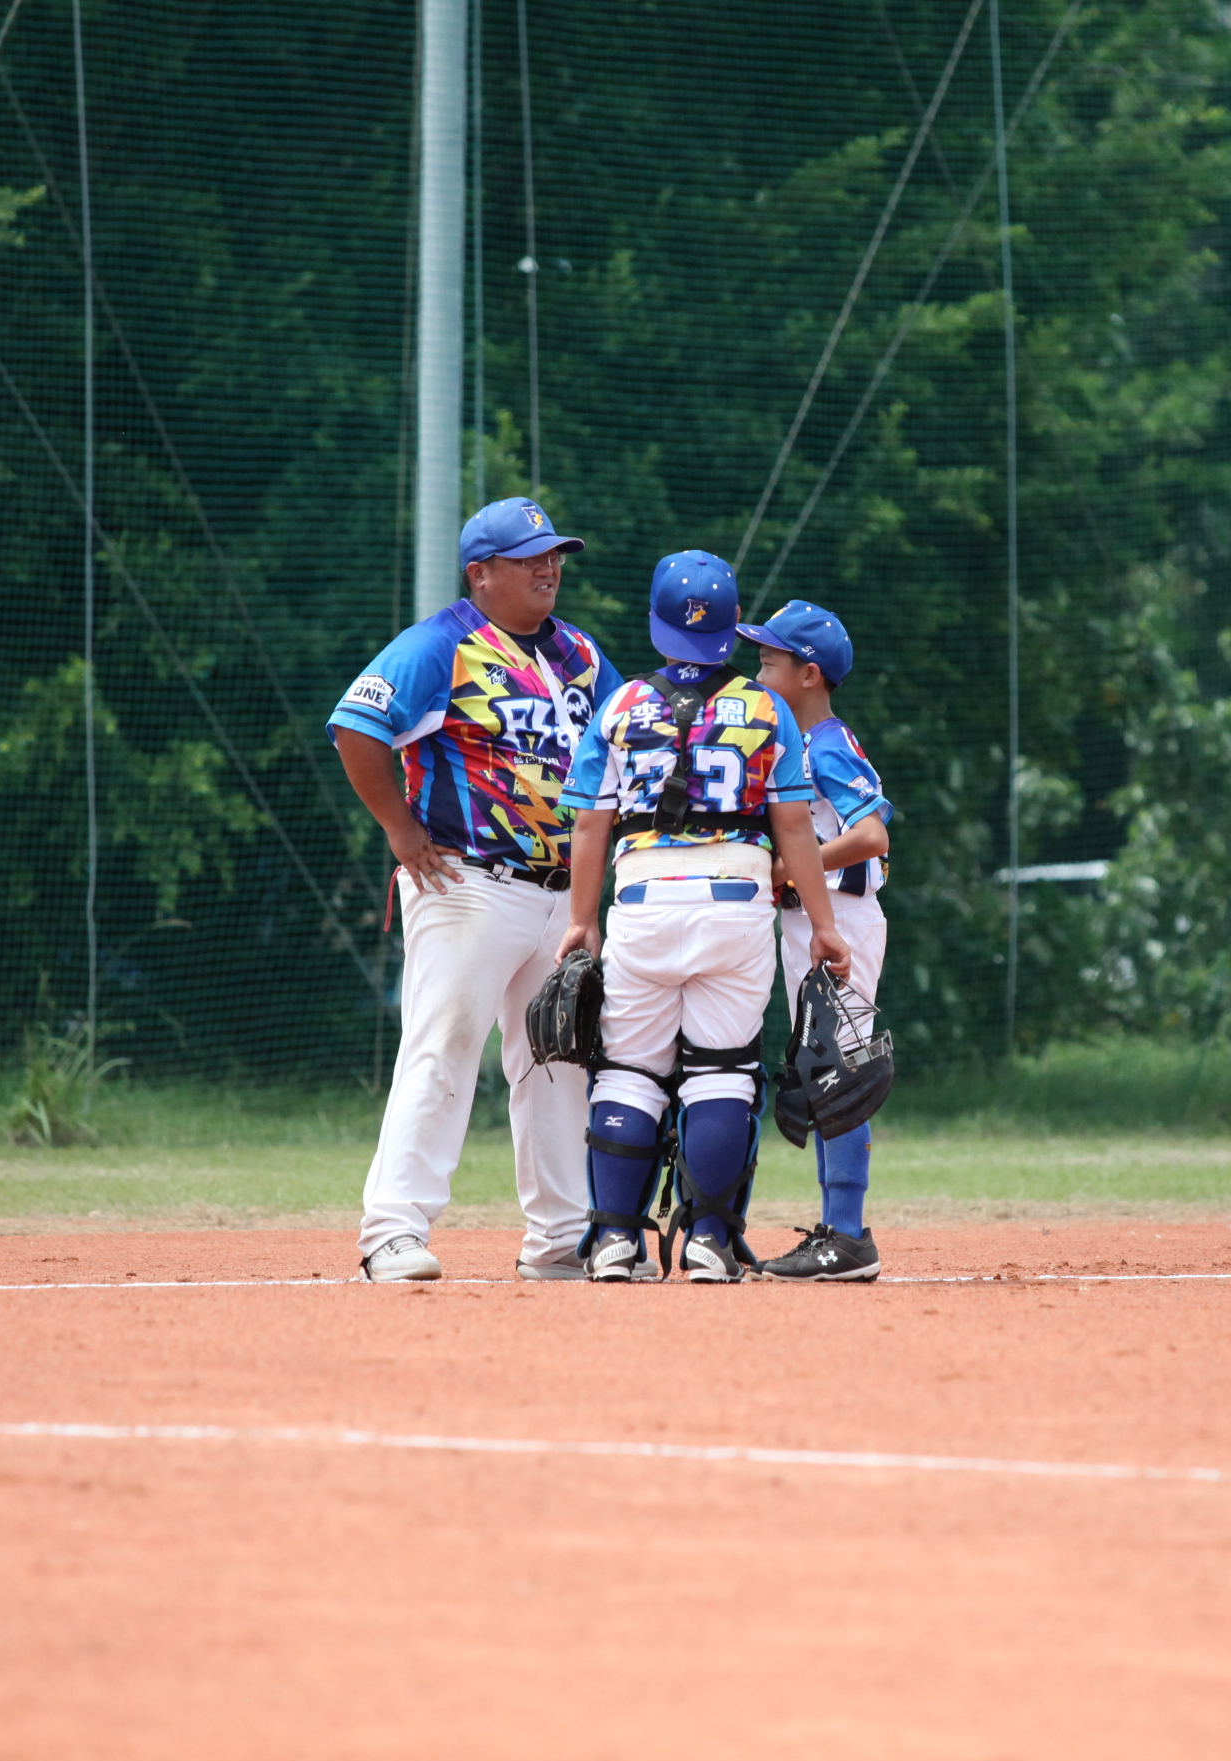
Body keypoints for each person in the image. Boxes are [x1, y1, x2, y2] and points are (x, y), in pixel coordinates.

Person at [328, 496, 619, 1282]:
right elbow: (356, 726)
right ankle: (393, 1231)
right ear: (480, 573)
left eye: (553, 555)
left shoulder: (581, 655)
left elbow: (624, 747)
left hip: (562, 896)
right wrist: (399, 829)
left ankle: (559, 1241)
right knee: (443, 1048)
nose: (549, 568)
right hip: (468, 883)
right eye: (529, 559)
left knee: (559, 1061)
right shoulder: (441, 645)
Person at [555, 551, 850, 1282]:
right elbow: (793, 828)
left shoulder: (621, 704)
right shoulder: (766, 708)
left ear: (657, 624)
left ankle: (615, 1240)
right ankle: (709, 1241)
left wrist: (581, 919)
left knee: (629, 1071)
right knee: (723, 1072)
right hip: (736, 902)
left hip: (643, 900)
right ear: (732, 625)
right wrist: (824, 924)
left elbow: (590, 824)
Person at [739, 600, 890, 1281]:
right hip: (813, 921)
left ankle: (848, 1236)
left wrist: (791, 867)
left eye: (769, 661)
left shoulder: (825, 743)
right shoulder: (796, 744)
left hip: (841, 920)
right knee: (822, 1071)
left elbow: (872, 836)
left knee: (839, 1073)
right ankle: (838, 1231)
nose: (758, 673)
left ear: (808, 674)